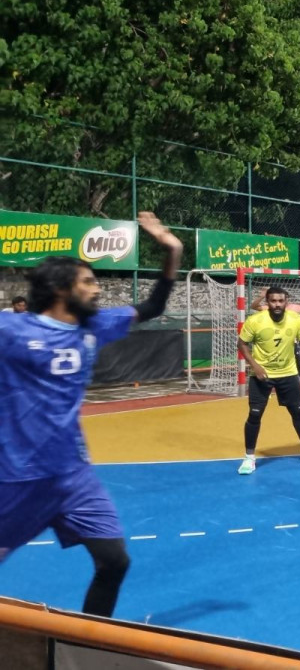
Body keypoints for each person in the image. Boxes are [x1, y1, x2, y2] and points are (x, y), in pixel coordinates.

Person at [0, 212, 182, 617]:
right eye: (88, 282)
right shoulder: (12, 331)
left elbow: (153, 305)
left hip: (73, 477)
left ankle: (87, 641)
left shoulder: (95, 326)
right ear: (61, 289)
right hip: (17, 478)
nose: (97, 289)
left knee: (114, 561)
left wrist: (172, 250)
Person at [236, 287, 300, 474]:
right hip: (262, 375)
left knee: (298, 413)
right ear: (267, 302)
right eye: (273, 301)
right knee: (255, 415)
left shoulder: (296, 319)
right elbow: (241, 343)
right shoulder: (255, 320)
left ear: (286, 302)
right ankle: (249, 457)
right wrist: (254, 365)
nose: (277, 304)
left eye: (281, 301)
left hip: (288, 374)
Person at [250, 287, 300, 398]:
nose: (278, 303)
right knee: (267, 366)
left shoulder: (293, 308)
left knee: (298, 366)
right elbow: (254, 306)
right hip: (271, 344)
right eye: (275, 300)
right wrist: (261, 296)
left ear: (286, 299)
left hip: (289, 344)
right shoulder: (271, 308)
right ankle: (266, 390)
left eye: (282, 299)